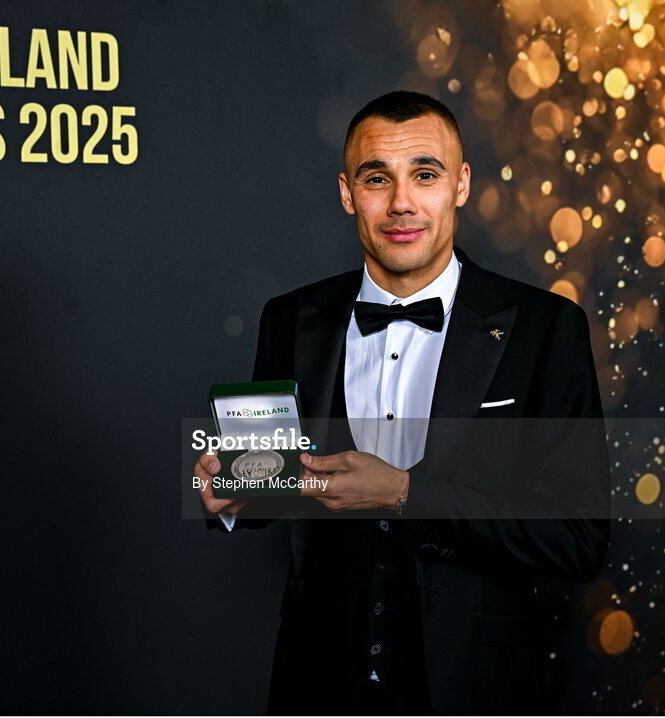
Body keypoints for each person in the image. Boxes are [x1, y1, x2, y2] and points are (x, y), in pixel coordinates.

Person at [194, 91, 611, 715]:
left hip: (474, 685)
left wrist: (405, 493)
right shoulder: (290, 320)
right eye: (375, 179)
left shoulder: (546, 329)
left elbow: (578, 538)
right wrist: (233, 492)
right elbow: (270, 480)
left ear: (461, 184)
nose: (401, 204)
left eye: (425, 174)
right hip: (318, 683)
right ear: (346, 193)